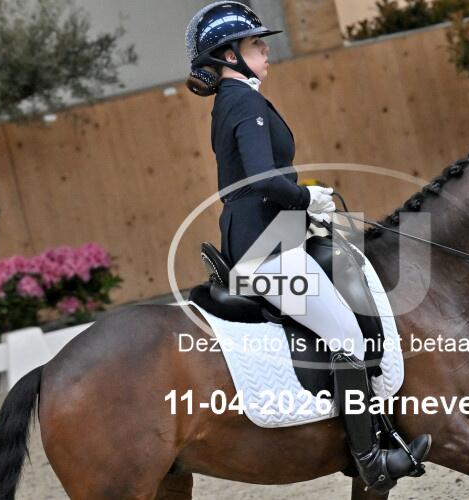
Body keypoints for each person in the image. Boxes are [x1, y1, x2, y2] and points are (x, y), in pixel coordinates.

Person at [185, 2, 430, 493]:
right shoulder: (243, 102)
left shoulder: (235, 100)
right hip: (265, 246)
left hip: (271, 232)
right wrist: (306, 198)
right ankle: (371, 460)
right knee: (346, 335)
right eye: (256, 44)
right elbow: (262, 180)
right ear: (229, 56)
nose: (265, 51)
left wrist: (303, 211)